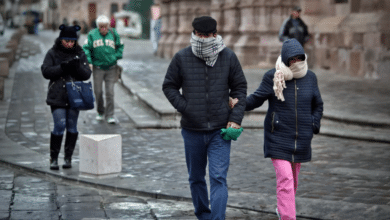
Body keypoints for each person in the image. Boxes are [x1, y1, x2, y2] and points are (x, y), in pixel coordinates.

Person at [162, 16, 247, 220]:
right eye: (199, 35)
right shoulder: (182, 57)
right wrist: (186, 107)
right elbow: (169, 86)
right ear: (194, 34)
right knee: (196, 178)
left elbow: (240, 88)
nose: (202, 39)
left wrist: (235, 117)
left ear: (215, 35)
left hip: (220, 130)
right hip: (192, 129)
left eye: (206, 36)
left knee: (218, 177)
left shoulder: (228, 57)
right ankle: (203, 215)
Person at [231, 38, 323, 220]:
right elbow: (256, 99)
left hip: (301, 139)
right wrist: (237, 103)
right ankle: (288, 217)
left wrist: (314, 123)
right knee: (286, 180)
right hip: (278, 137)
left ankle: (282, 208)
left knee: (293, 181)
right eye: (292, 59)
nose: (296, 62)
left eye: (299, 58)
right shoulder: (273, 76)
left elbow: (317, 104)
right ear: (286, 59)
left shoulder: (310, 77)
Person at [41, 24, 92, 170]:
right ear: (61, 39)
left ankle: (68, 158)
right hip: (57, 95)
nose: (70, 44)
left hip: (74, 96)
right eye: (67, 41)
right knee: (59, 125)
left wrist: (77, 68)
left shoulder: (80, 52)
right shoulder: (53, 53)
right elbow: (45, 71)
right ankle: (54, 158)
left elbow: (87, 74)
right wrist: (62, 67)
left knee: (72, 126)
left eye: (72, 41)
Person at [83, 15, 124, 124]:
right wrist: (89, 62)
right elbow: (86, 48)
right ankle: (100, 111)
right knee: (98, 92)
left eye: (105, 26)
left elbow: (120, 46)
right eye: (101, 27)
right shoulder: (92, 34)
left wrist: (116, 56)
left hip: (111, 68)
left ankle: (110, 115)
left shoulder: (114, 33)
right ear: (98, 27)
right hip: (98, 68)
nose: (104, 29)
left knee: (110, 92)